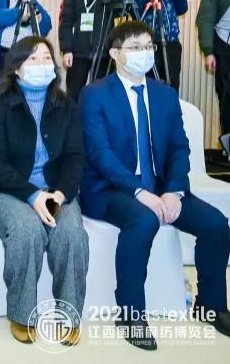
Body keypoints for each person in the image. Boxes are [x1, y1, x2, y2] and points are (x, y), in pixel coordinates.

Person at [80, 21, 230, 350]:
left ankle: (211, 303)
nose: (144, 53)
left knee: (217, 225)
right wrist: (139, 192)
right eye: (135, 47)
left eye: (148, 46)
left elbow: (179, 148)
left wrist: (174, 191)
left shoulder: (165, 95)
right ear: (115, 54)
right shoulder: (95, 94)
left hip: (163, 187)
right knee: (143, 219)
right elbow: (99, 153)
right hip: (110, 189)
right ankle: (131, 314)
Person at [0, 36, 88, 345]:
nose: (42, 64)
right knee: (27, 230)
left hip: (56, 190)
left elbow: (75, 157)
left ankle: (69, 313)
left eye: (46, 58)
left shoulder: (67, 106)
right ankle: (22, 313)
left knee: (71, 233)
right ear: (17, 68)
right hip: (7, 190)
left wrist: (60, 195)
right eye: (33, 58)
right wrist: (33, 195)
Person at [59, 0, 114, 100]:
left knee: (102, 95)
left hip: (104, 53)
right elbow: (65, 22)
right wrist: (67, 49)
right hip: (78, 53)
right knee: (74, 94)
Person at [195, 0, 230, 134]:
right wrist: (208, 51)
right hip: (224, 46)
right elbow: (205, 19)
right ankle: (227, 141)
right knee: (226, 98)